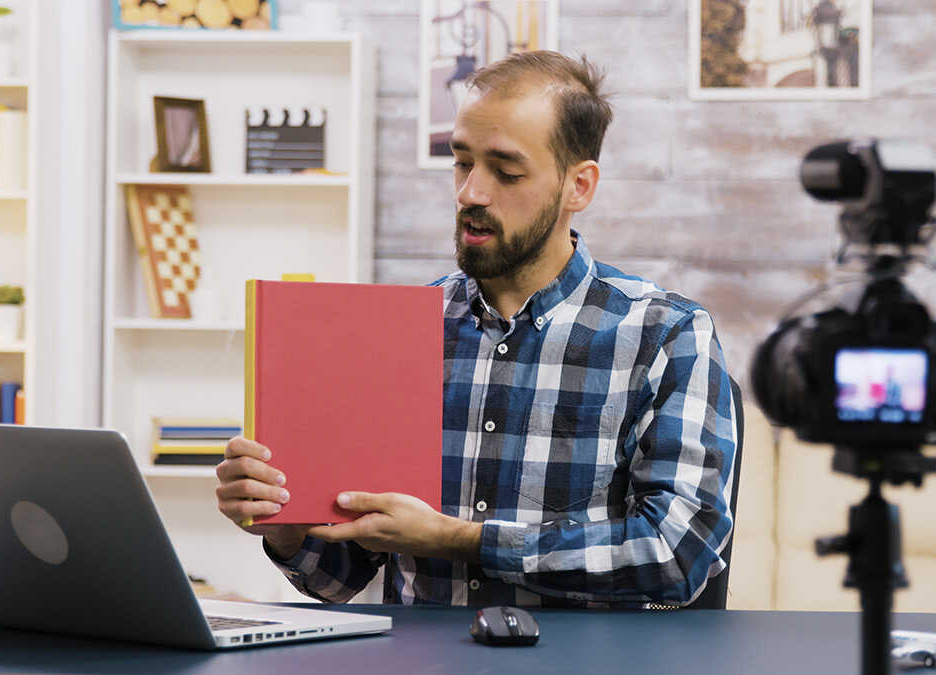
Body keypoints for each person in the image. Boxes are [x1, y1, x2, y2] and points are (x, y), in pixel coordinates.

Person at [215, 51, 737, 608]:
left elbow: (677, 556)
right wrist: (284, 526)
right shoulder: (402, 331)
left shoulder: (667, 335)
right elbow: (338, 578)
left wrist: (458, 540)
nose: (471, 194)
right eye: (463, 163)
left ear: (578, 187)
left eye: (506, 171)